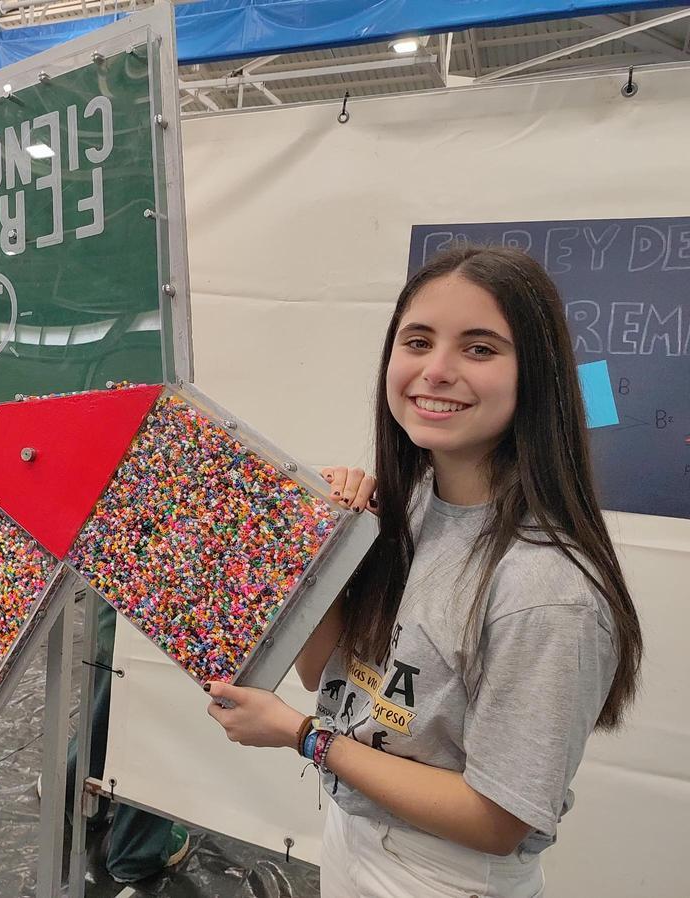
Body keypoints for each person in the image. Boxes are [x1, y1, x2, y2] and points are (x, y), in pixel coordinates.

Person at [205, 246, 643, 898]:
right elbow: (326, 675)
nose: (435, 371)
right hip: (354, 832)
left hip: (446, 876)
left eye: (479, 349)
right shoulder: (406, 507)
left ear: (537, 376)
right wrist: (329, 544)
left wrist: (304, 737)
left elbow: (499, 819)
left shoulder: (547, 589)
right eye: (417, 341)